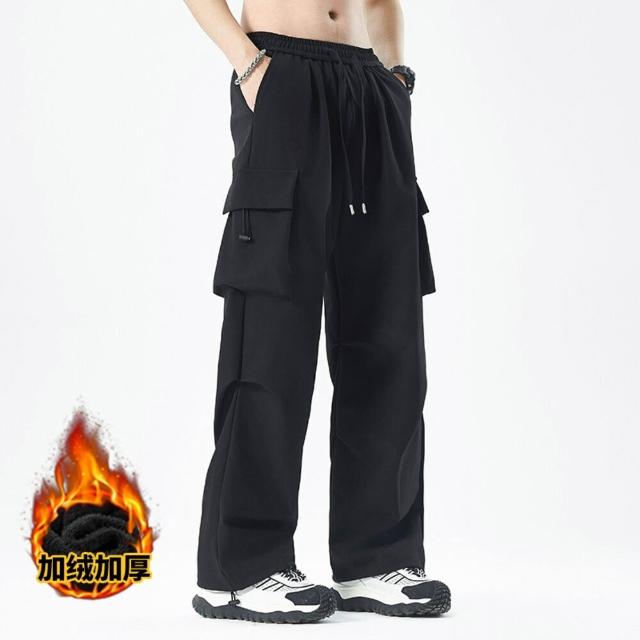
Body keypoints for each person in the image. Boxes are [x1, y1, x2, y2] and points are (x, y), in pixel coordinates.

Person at [184, 0, 450, 623]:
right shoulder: (265, 70)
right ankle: (241, 569)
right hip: (281, 72)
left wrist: (396, 76)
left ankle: (375, 559)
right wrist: (248, 63)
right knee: (272, 335)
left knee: (386, 334)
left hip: (369, 83)